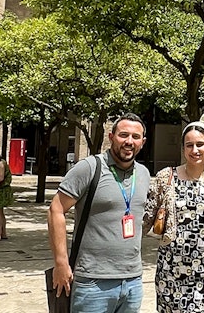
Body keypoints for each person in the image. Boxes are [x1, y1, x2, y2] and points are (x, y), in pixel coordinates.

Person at [48, 114, 150, 313]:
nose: (129, 141)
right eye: (123, 135)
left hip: (132, 281)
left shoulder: (144, 174)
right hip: (92, 283)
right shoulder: (89, 167)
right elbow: (56, 210)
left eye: (135, 137)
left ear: (143, 142)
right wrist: (61, 263)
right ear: (111, 137)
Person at [143, 118, 204, 313]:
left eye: (200, 144)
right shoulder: (166, 177)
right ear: (183, 148)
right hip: (171, 266)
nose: (195, 150)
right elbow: (146, 217)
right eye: (189, 145)